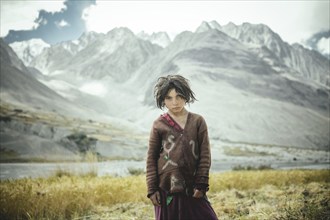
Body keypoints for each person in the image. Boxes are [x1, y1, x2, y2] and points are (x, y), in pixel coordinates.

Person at [146, 74, 218, 220]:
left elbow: (205, 155)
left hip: (193, 186)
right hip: (166, 188)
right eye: (169, 98)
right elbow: (151, 158)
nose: (175, 102)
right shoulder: (159, 125)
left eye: (179, 96)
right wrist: (152, 189)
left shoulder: (197, 122)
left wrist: (202, 183)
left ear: (186, 96)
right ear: (163, 100)